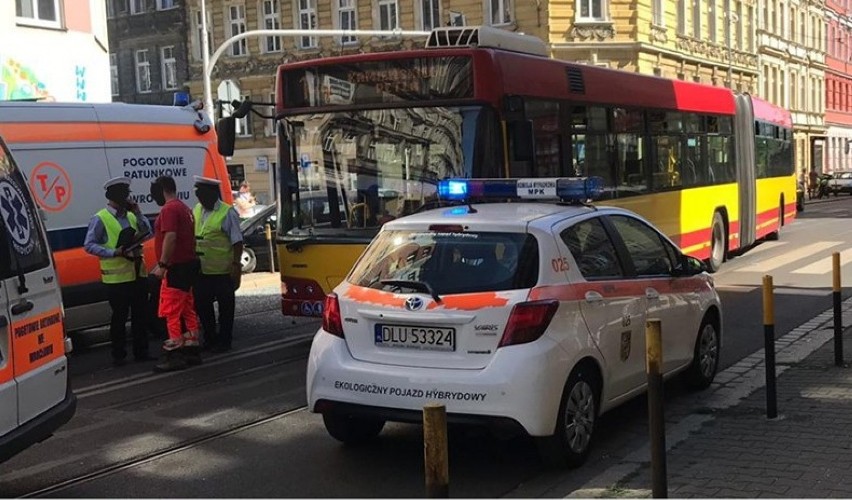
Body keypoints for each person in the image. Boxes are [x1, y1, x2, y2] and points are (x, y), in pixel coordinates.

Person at [83, 177, 152, 366]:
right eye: (124, 195)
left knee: (140, 316)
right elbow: (89, 245)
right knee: (119, 319)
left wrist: (138, 212)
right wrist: (113, 252)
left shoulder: (130, 215)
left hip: (137, 273)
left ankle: (141, 352)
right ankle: (119, 355)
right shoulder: (100, 218)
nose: (127, 198)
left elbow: (148, 231)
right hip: (116, 280)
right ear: (114, 197)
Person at [150, 175, 202, 372]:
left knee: (171, 312)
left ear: (162, 190)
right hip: (188, 265)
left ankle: (174, 353)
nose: (154, 197)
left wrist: (162, 264)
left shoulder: (169, 209)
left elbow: (170, 237)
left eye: (155, 193)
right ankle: (192, 347)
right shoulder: (184, 208)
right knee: (187, 308)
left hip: (176, 267)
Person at [192, 176, 243, 353]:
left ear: (213, 194)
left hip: (223, 271)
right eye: (197, 195)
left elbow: (237, 242)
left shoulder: (227, 212)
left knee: (226, 309)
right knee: (202, 306)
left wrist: (236, 266)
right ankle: (210, 339)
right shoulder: (197, 210)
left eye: (202, 195)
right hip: (202, 271)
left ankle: (225, 341)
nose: (199, 199)